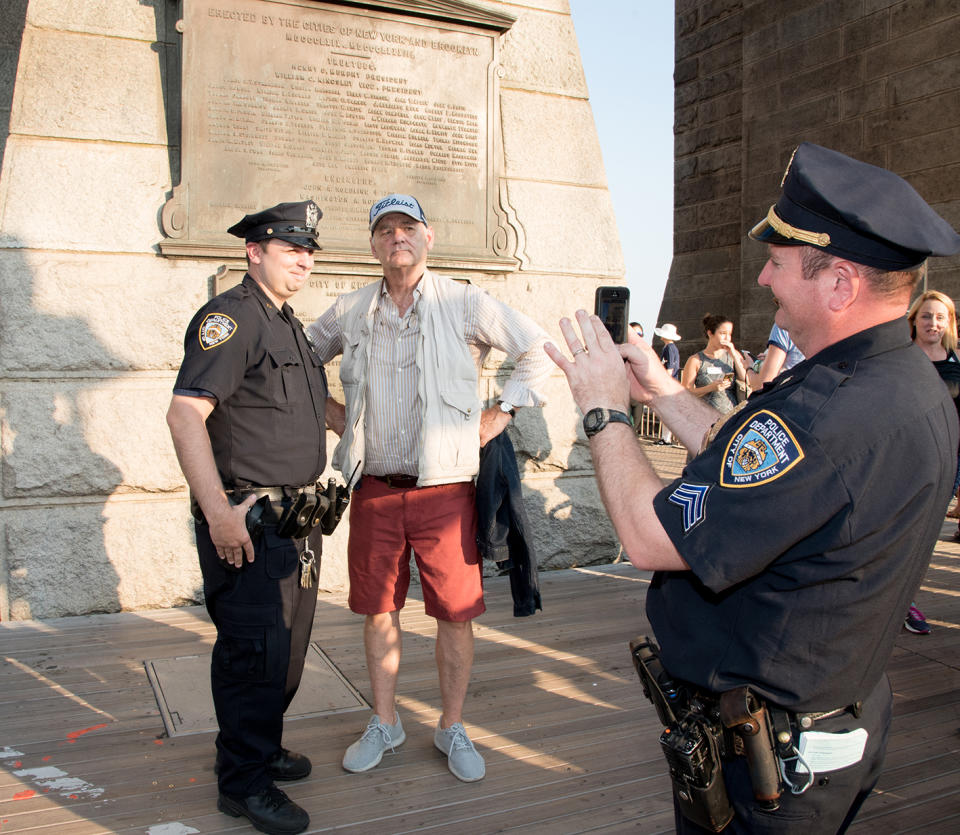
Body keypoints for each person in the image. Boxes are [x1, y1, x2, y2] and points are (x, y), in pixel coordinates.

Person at [545, 142, 960, 833]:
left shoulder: (828, 417)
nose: (764, 276)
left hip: (769, 770)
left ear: (841, 285)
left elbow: (650, 537)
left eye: (780, 261)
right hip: (840, 718)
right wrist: (659, 387)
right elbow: (753, 465)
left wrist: (604, 409)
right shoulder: (903, 384)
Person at [307, 194, 550, 783]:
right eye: (385, 229)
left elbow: (537, 351)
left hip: (445, 491)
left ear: (428, 236)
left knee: (454, 613)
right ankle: (385, 721)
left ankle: (452, 725)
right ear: (372, 244)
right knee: (377, 611)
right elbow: (300, 358)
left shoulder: (464, 301)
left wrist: (499, 416)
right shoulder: (351, 309)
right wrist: (334, 413)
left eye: (407, 227)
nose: (397, 238)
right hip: (375, 489)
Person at [166, 201, 328, 835]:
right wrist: (218, 516)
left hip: (295, 516)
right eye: (290, 248)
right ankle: (242, 783)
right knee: (253, 651)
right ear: (253, 251)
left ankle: (254, 744)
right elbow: (185, 416)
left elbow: (307, 408)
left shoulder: (286, 323)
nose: (303, 259)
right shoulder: (229, 319)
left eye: (308, 250)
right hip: (248, 517)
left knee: (285, 652)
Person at [905, 289, 960, 633]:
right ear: (914, 320)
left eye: (941, 317)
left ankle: (906, 600)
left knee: (925, 536)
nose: (933, 323)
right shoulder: (902, 356)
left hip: (946, 461)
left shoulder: (956, 360)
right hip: (904, 460)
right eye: (927, 316)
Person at [681, 313, 748, 415]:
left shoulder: (734, 355)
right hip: (704, 417)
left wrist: (733, 354)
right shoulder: (695, 360)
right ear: (710, 333)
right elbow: (686, 392)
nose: (727, 338)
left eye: (729, 334)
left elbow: (745, 378)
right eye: (723, 333)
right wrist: (710, 388)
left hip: (730, 416)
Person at [746, 322, 805, 389]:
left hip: (788, 392)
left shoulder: (784, 324)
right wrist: (770, 357)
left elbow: (762, 386)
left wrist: (749, 366)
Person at [654, 323, 681, 443]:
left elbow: (669, 368)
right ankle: (666, 437)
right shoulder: (670, 348)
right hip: (671, 382)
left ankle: (666, 438)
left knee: (667, 412)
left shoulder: (669, 348)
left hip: (669, 382)